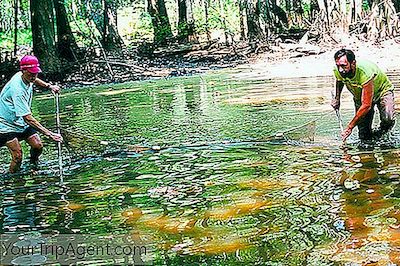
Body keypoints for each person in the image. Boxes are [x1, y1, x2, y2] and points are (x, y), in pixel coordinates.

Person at [0, 55, 63, 174]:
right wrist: (50, 134)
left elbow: (34, 79)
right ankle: (13, 179)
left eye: (35, 73)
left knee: (38, 146)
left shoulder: (27, 76)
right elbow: (28, 119)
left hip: (19, 121)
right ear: (23, 71)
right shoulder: (17, 90)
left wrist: (49, 86)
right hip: (5, 124)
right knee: (18, 156)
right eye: (31, 73)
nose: (34, 76)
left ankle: (33, 165)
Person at [331, 49, 396, 142]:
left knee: (388, 119)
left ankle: (380, 135)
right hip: (359, 95)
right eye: (338, 66)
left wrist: (349, 127)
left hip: (382, 91)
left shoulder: (364, 72)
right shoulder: (338, 70)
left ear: (353, 63)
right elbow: (339, 80)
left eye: (343, 66)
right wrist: (337, 99)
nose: (341, 70)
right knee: (364, 134)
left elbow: (366, 105)